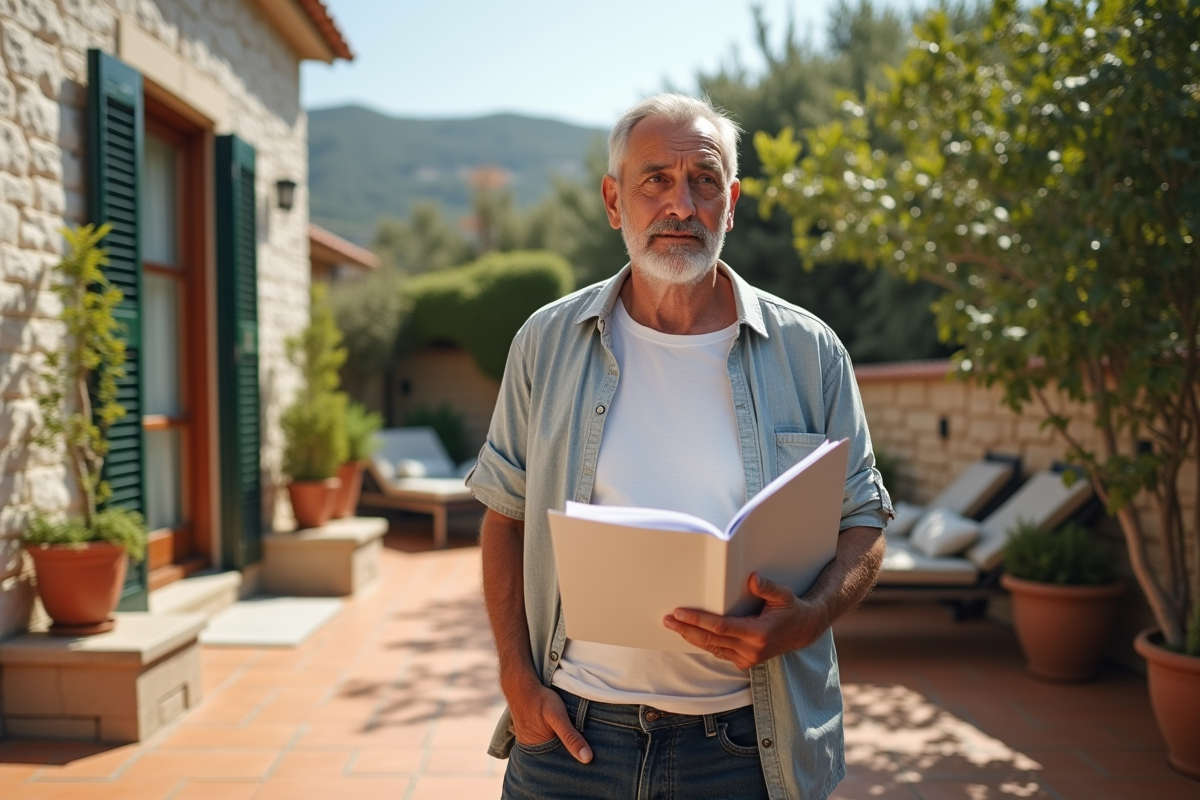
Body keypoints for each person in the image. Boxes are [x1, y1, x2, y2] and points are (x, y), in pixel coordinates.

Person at [466, 93, 891, 800]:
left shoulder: (810, 351)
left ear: (732, 202)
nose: (681, 205)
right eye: (655, 180)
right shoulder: (545, 341)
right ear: (613, 201)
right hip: (570, 738)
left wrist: (808, 618)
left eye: (704, 181)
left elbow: (864, 519)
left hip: (742, 750)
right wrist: (516, 676)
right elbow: (503, 514)